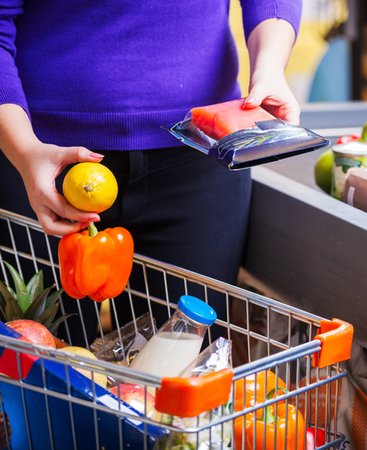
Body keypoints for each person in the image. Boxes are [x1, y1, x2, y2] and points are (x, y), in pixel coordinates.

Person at [0, 1, 302, 344]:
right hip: (40, 159)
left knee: (182, 369)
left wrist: (270, 67)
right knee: (40, 373)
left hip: (199, 154)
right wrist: (24, 150)